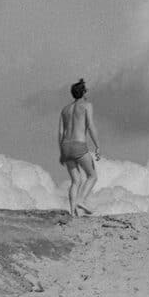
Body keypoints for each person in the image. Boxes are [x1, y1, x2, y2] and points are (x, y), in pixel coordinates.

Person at [58, 78, 101, 217]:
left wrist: (61, 152)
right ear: (83, 92)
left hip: (65, 146)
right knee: (92, 176)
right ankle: (81, 200)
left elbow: (60, 132)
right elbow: (90, 126)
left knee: (76, 180)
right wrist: (97, 146)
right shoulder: (87, 106)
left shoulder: (65, 110)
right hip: (78, 145)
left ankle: (72, 212)